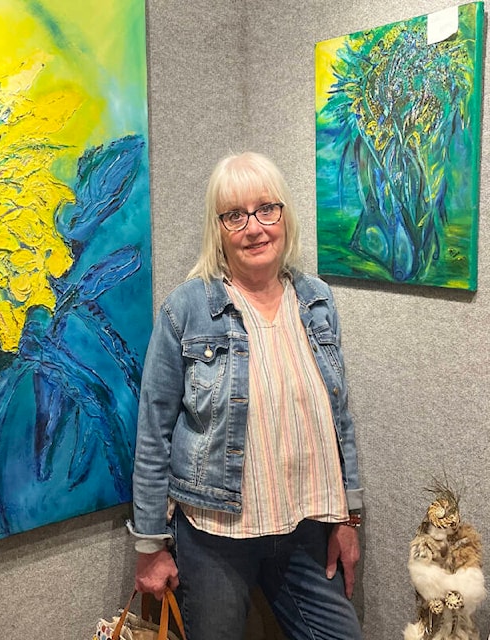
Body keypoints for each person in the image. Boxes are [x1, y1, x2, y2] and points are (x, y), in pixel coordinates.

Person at [128, 152, 363, 640]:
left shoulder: (317, 301)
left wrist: (348, 518)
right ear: (219, 230)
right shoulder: (187, 309)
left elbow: (338, 419)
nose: (254, 227)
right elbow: (153, 433)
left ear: (284, 216)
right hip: (215, 536)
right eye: (235, 215)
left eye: (266, 210)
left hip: (305, 529)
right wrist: (150, 544)